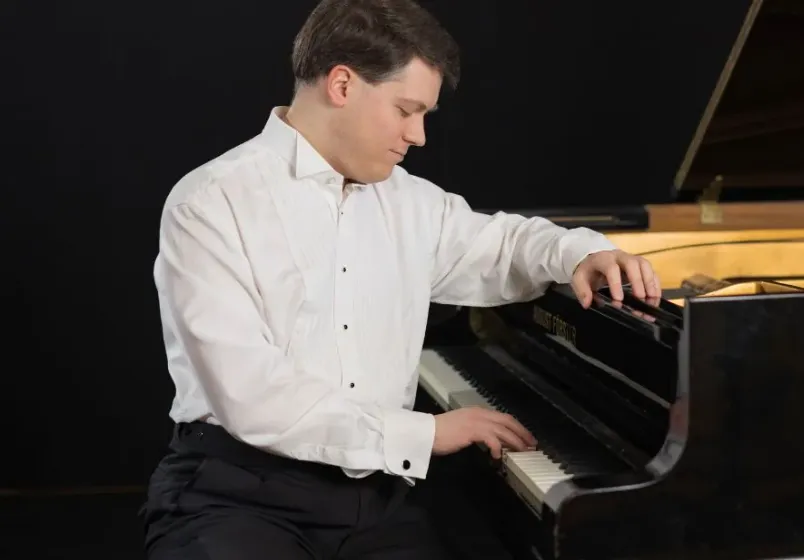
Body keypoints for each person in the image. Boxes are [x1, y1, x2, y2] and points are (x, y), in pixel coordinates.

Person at [141, 0, 661, 559]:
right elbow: (252, 393)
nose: (418, 137)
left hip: (378, 498)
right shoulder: (211, 202)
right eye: (406, 110)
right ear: (342, 84)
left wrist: (581, 250)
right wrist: (426, 434)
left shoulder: (412, 203)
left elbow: (504, 245)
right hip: (237, 493)